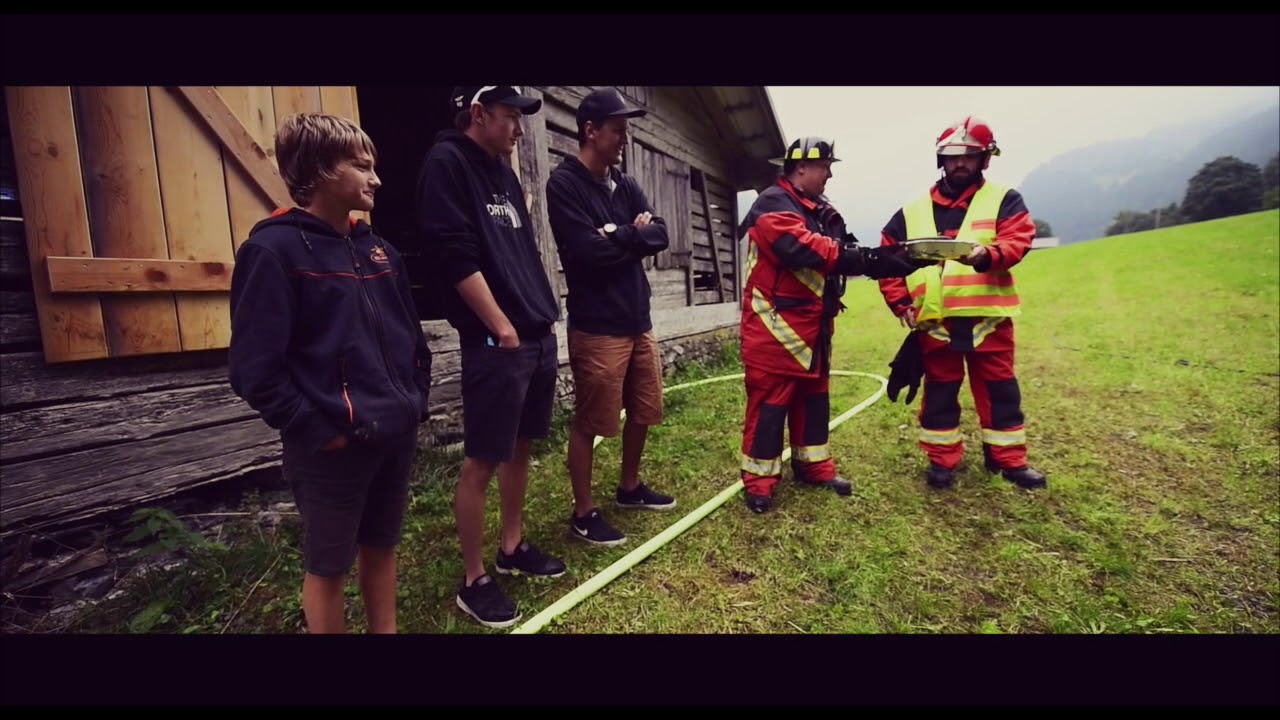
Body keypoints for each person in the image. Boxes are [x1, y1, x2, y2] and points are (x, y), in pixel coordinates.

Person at [229, 112, 432, 634]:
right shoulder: (272, 252)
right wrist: (321, 432)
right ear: (318, 170)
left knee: (382, 546)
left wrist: (415, 401)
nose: (376, 178)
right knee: (328, 566)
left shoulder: (379, 249)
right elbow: (255, 370)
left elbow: (413, 339)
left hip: (393, 434)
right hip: (330, 448)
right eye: (361, 166)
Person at [416, 85, 566, 629]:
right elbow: (453, 255)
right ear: (477, 114)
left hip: (534, 331)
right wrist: (501, 327)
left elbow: (520, 250)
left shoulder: (501, 169)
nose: (519, 129)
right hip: (497, 341)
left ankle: (512, 545)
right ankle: (474, 578)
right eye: (509, 118)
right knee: (482, 457)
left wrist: (538, 321)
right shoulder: (446, 164)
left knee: (520, 446)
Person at [738, 136, 924, 514]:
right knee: (770, 407)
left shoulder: (822, 209)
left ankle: (814, 467)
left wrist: (895, 259)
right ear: (801, 167)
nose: (830, 174)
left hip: (813, 327)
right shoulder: (771, 205)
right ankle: (759, 482)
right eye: (826, 167)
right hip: (776, 328)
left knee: (815, 401)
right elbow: (804, 249)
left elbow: (849, 251)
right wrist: (867, 258)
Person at [876, 116, 1047, 491]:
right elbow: (887, 258)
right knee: (939, 391)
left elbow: (1019, 239)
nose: (959, 163)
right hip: (936, 323)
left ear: (985, 159)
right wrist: (900, 301)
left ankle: (1009, 461)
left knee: (1001, 391)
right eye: (952, 156)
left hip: (989, 320)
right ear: (940, 159)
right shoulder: (911, 210)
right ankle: (942, 461)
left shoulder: (1005, 199)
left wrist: (988, 254)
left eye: (969, 156)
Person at [544, 88, 675, 547]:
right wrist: (630, 237)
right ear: (591, 131)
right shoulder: (564, 185)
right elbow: (588, 255)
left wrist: (618, 233)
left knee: (645, 408)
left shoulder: (624, 182)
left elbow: (660, 234)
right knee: (591, 420)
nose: (624, 137)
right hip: (597, 325)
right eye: (617, 129)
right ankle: (583, 512)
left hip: (637, 320)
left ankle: (629, 487)